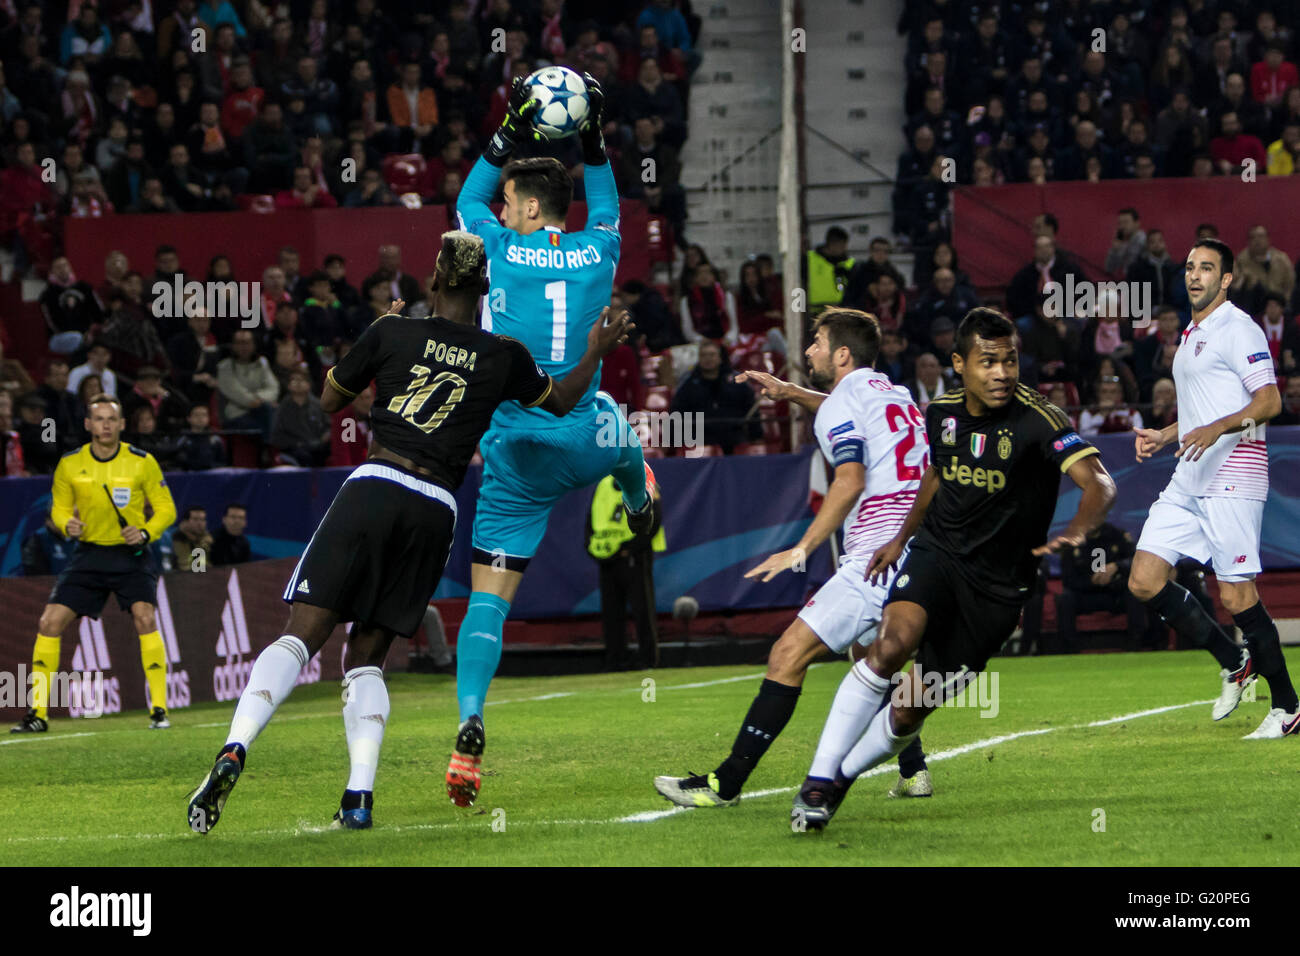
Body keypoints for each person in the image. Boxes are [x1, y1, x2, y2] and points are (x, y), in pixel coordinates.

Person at [186, 233, 633, 833]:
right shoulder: (505, 353)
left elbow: (326, 401)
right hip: (436, 507)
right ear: (484, 291)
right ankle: (358, 797)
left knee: (302, 635)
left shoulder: (390, 332)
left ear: (431, 283)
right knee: (366, 656)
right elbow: (565, 400)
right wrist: (594, 348)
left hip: (375, 482)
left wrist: (373, 341)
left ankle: (236, 747)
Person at [789, 307, 1117, 829]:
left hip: (999, 590)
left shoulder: (1040, 419)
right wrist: (900, 540)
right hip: (937, 553)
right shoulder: (940, 413)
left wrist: (1078, 528)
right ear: (959, 363)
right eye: (988, 362)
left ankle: (838, 781)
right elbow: (935, 479)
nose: (1002, 373)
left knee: (908, 711)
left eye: (1010, 361)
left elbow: (1100, 483)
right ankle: (817, 779)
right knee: (890, 646)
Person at [446, 74, 654, 808]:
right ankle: (639, 499)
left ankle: (471, 721)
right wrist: (593, 140)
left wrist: (507, 130)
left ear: (526, 208)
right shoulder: (601, 249)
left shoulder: (500, 246)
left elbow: (465, 202)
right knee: (625, 441)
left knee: (488, 604)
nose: (499, 208)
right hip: (587, 430)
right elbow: (608, 204)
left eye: (509, 201)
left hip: (515, 450)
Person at [655, 309, 934, 810]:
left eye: (819, 342)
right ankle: (914, 772)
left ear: (842, 354)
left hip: (875, 554)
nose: (809, 351)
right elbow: (842, 405)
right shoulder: (897, 393)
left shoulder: (838, 408)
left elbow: (850, 480)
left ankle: (725, 784)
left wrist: (801, 549)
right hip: (920, 548)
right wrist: (791, 392)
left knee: (788, 655)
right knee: (873, 657)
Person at [1128, 238, 1298, 738]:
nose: (1194, 275)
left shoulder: (1239, 328)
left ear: (1226, 279)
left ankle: (1287, 707)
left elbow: (1269, 403)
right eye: (1189, 267)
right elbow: (1203, 411)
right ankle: (1233, 660)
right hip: (1190, 475)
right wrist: (1165, 434)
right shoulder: (1192, 332)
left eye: (1207, 268)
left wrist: (1215, 429)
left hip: (1234, 475)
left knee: (1236, 595)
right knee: (1143, 579)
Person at [10, 394, 178, 734]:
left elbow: (166, 509)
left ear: (121, 424)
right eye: (98, 419)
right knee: (49, 621)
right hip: (88, 555)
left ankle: (159, 709)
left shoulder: (141, 461)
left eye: (111, 419)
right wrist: (64, 523)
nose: (105, 425)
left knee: (145, 617)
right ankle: (37, 714)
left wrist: (145, 533)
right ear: (88, 424)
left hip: (130, 555)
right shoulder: (70, 463)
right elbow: (58, 508)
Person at [588, 473, 665, 671]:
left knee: (643, 609)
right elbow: (592, 518)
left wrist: (629, 548)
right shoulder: (604, 484)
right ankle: (615, 658)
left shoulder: (645, 481)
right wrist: (595, 548)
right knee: (611, 611)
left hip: (635, 556)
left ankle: (648, 659)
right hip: (608, 557)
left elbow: (653, 520)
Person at [1053, 523, 1153, 654]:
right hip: (1085, 596)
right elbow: (1068, 579)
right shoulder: (1072, 541)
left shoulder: (1117, 536)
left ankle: (1136, 643)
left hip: (1114, 594)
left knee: (1135, 594)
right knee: (1065, 598)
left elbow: (1135, 562)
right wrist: (1091, 581)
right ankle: (1069, 648)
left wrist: (1116, 567)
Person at [166, 505, 212, 573]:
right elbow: (186, 566)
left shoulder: (209, 539)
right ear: (185, 522)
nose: (199, 523)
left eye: (202, 519)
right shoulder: (176, 539)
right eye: (195, 519)